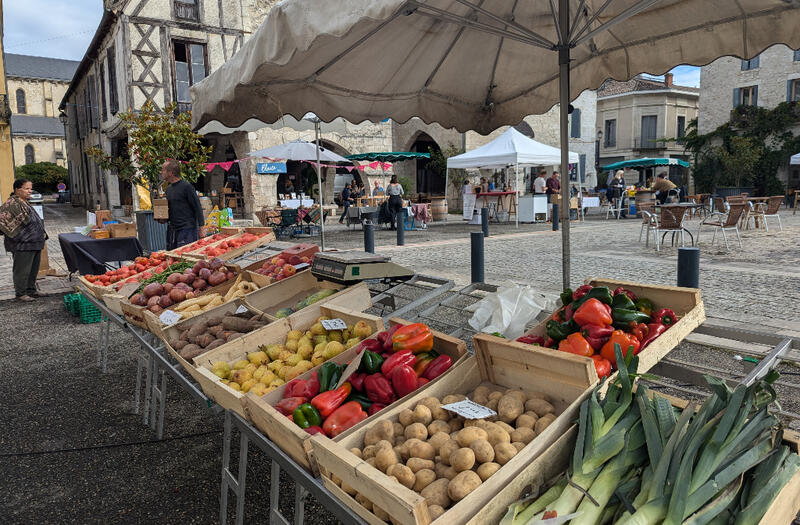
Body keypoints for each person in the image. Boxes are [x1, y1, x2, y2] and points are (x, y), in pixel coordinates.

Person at [0, 179, 47, 301]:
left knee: (33, 269)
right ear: (17, 189)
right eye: (26, 188)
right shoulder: (12, 203)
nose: (30, 191)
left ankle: (31, 290)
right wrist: (23, 237)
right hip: (22, 244)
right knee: (22, 270)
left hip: (34, 242)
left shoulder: (24, 202)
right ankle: (21, 293)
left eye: (30, 188)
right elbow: (4, 222)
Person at [160, 159, 204, 250]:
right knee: (172, 257)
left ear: (171, 173)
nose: (161, 172)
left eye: (163, 170)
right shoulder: (168, 189)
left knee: (185, 257)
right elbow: (171, 209)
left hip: (187, 230)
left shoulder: (187, 187)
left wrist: (201, 228)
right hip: (172, 230)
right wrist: (163, 218)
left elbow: (197, 207)